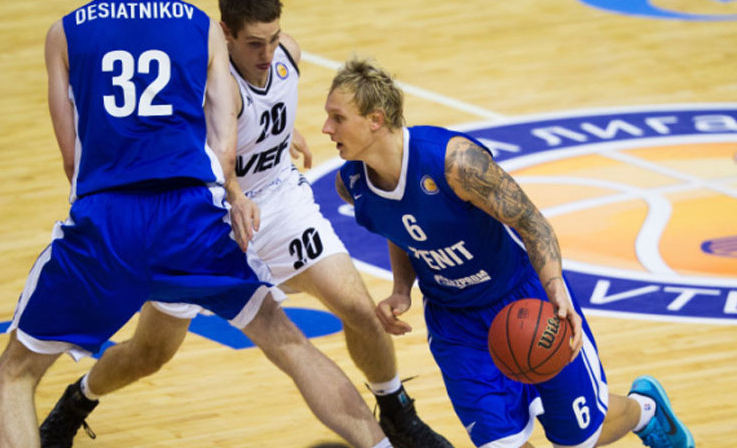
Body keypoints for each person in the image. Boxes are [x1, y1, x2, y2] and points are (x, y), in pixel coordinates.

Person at [38, 1, 453, 447]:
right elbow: (194, 149)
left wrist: (282, 130)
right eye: (255, 43)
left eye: (273, 38)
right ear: (225, 36)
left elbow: (265, 105)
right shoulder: (199, 86)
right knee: (149, 354)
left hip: (280, 202)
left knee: (357, 309)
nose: (267, 52)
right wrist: (230, 190)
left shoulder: (288, 54)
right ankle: (78, 401)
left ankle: (396, 411)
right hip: (213, 218)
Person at [323, 56, 695, 448]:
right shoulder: (351, 183)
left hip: (523, 298)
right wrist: (402, 288)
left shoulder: (455, 162)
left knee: (580, 438)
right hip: (458, 325)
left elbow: (532, 223)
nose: (326, 128)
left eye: (337, 117)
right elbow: (396, 226)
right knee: (502, 444)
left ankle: (645, 409)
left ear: (375, 120)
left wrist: (555, 290)